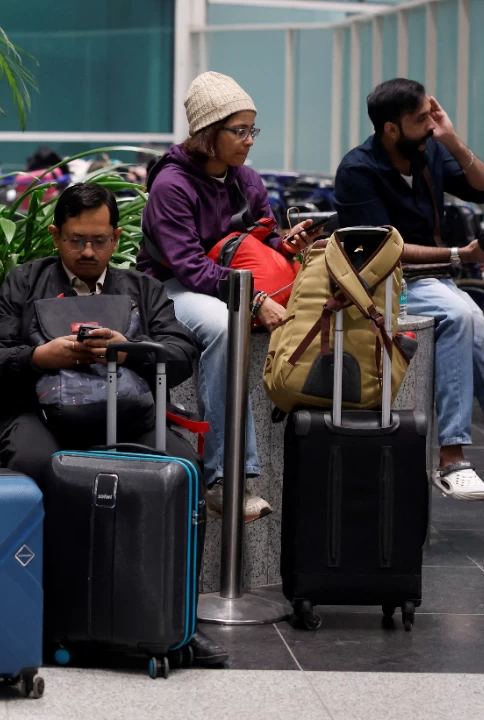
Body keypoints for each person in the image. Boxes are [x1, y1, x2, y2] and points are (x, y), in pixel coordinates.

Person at [0, 182, 225, 667]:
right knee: (31, 465)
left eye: (98, 240)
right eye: (76, 240)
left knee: (180, 468)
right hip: (41, 415)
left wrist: (128, 350)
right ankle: (28, 616)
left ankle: (180, 622)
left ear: (116, 239)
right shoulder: (24, 283)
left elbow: (180, 353)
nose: (88, 251)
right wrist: (38, 356)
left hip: (130, 413)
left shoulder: (141, 289)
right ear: (56, 236)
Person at [334, 78, 484, 539]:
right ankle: (452, 457)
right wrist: (462, 256)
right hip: (390, 285)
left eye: (431, 115)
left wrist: (453, 140)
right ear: (389, 128)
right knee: (459, 315)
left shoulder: (431, 152)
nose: (428, 124)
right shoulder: (358, 169)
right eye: (420, 119)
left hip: (439, 282)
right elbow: (382, 250)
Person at [138, 72, 324, 522]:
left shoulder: (246, 180)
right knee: (224, 324)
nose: (249, 141)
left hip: (233, 282)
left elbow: (261, 238)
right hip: (171, 287)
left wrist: (287, 246)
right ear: (208, 132)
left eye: (251, 130)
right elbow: (191, 268)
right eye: (238, 131)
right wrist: (256, 300)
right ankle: (225, 478)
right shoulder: (172, 187)